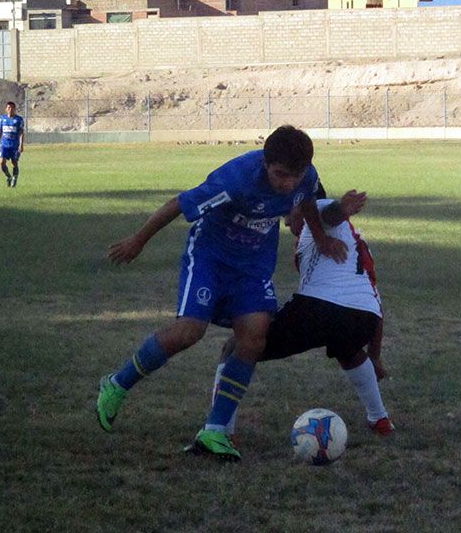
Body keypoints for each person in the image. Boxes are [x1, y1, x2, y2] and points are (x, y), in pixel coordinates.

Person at [96, 125, 346, 462]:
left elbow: (309, 202)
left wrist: (319, 238)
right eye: (280, 175)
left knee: (255, 337)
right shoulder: (236, 180)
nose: (288, 183)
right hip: (210, 257)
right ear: (265, 164)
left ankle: (214, 431)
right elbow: (178, 204)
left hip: (253, 266)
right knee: (189, 332)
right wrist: (137, 241)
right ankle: (117, 384)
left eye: (294, 175)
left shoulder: (304, 176)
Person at [197, 188, 394, 450]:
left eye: (288, 211)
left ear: (302, 204)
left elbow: (330, 214)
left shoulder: (319, 210)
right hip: (363, 316)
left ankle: (219, 429)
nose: (287, 221)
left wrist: (341, 208)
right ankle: (380, 419)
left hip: (320, 309)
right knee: (349, 350)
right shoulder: (356, 241)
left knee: (236, 347)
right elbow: (374, 300)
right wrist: (376, 354)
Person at [0, 101, 24, 187]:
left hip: (14, 145)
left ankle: (15, 177)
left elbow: (21, 132)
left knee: (14, 163)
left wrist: (21, 144)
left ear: (15, 109)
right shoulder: (2, 119)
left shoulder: (19, 119)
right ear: (6, 109)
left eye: (12, 108)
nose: (10, 109)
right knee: (1, 162)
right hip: (4, 144)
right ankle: (8, 176)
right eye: (9, 107)